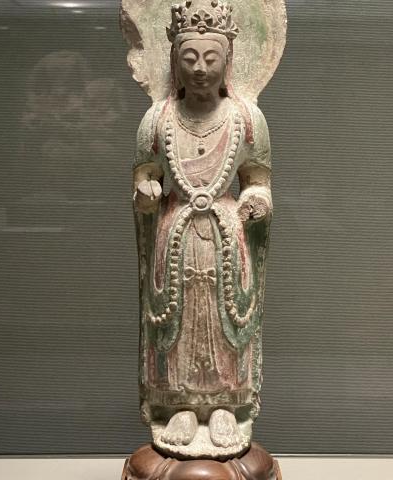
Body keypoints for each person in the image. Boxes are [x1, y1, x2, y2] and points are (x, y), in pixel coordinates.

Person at [133, 0, 272, 457]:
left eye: (210, 58)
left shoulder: (246, 120)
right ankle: (180, 406)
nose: (199, 68)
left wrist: (256, 202)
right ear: (174, 60)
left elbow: (258, 180)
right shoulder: (158, 120)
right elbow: (145, 174)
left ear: (228, 60)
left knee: (226, 320)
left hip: (226, 236)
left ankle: (226, 406)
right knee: (176, 322)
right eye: (189, 57)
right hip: (175, 234)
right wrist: (147, 193)